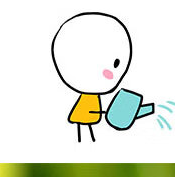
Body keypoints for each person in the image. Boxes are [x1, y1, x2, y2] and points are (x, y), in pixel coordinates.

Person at [51, 13, 132, 142]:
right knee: (83, 130)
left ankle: (88, 139)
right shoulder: (87, 95)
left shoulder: (94, 95)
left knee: (87, 130)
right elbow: (89, 111)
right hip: (83, 115)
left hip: (90, 115)